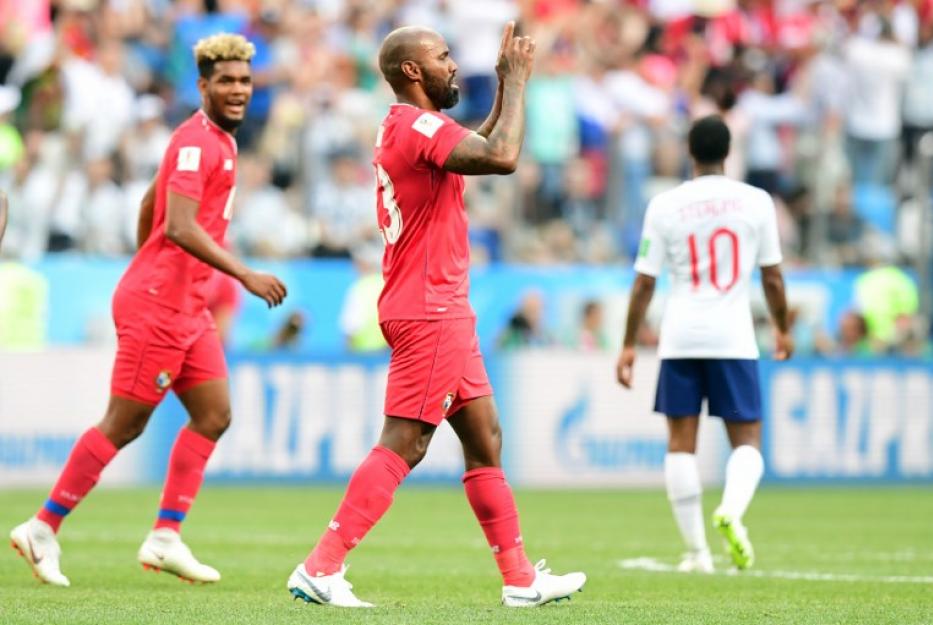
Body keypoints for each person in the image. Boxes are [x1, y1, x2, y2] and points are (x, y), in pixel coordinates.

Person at [286, 22, 586, 608]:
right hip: (430, 307)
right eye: (443, 56)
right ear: (413, 72)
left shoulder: (410, 126)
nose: (454, 65)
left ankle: (520, 579)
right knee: (406, 441)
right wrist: (521, 84)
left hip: (437, 303)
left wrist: (502, 88)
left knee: (485, 439)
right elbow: (500, 156)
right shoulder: (418, 124)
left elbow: (473, 143)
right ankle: (321, 567)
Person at [10, 33, 287, 588]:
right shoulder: (195, 143)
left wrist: (152, 261)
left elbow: (148, 205)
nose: (238, 90)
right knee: (126, 422)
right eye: (226, 81)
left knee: (214, 414)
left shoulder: (222, 142)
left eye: (244, 81)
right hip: (161, 305)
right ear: (202, 85)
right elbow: (179, 226)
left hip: (186, 304)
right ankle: (42, 527)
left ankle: (165, 536)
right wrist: (241, 272)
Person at [616, 115, 792, 574]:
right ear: (728, 152)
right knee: (748, 439)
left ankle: (696, 553)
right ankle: (732, 509)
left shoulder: (666, 204)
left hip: (680, 336)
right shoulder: (756, 202)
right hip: (734, 335)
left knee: (680, 443)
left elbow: (643, 283)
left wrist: (629, 345)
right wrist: (782, 328)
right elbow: (772, 276)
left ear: (689, 153)